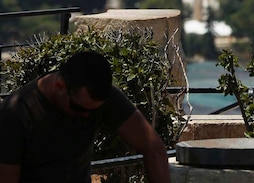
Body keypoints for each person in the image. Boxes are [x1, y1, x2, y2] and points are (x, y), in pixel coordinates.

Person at [0, 51, 170, 183]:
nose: (86, 115)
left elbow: (152, 147)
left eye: (94, 111)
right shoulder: (15, 115)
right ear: (59, 86)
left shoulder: (99, 97)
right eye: (78, 108)